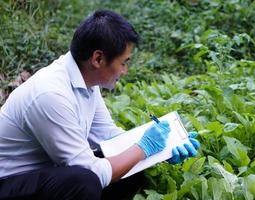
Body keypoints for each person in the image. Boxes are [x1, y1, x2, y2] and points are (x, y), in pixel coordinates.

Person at [0, 10, 200, 199]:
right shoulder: (50, 94)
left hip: (44, 173)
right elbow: (89, 171)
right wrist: (143, 148)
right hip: (8, 182)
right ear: (98, 58)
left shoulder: (86, 82)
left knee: (130, 170)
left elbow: (109, 136)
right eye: (124, 62)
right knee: (83, 182)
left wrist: (166, 146)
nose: (125, 71)